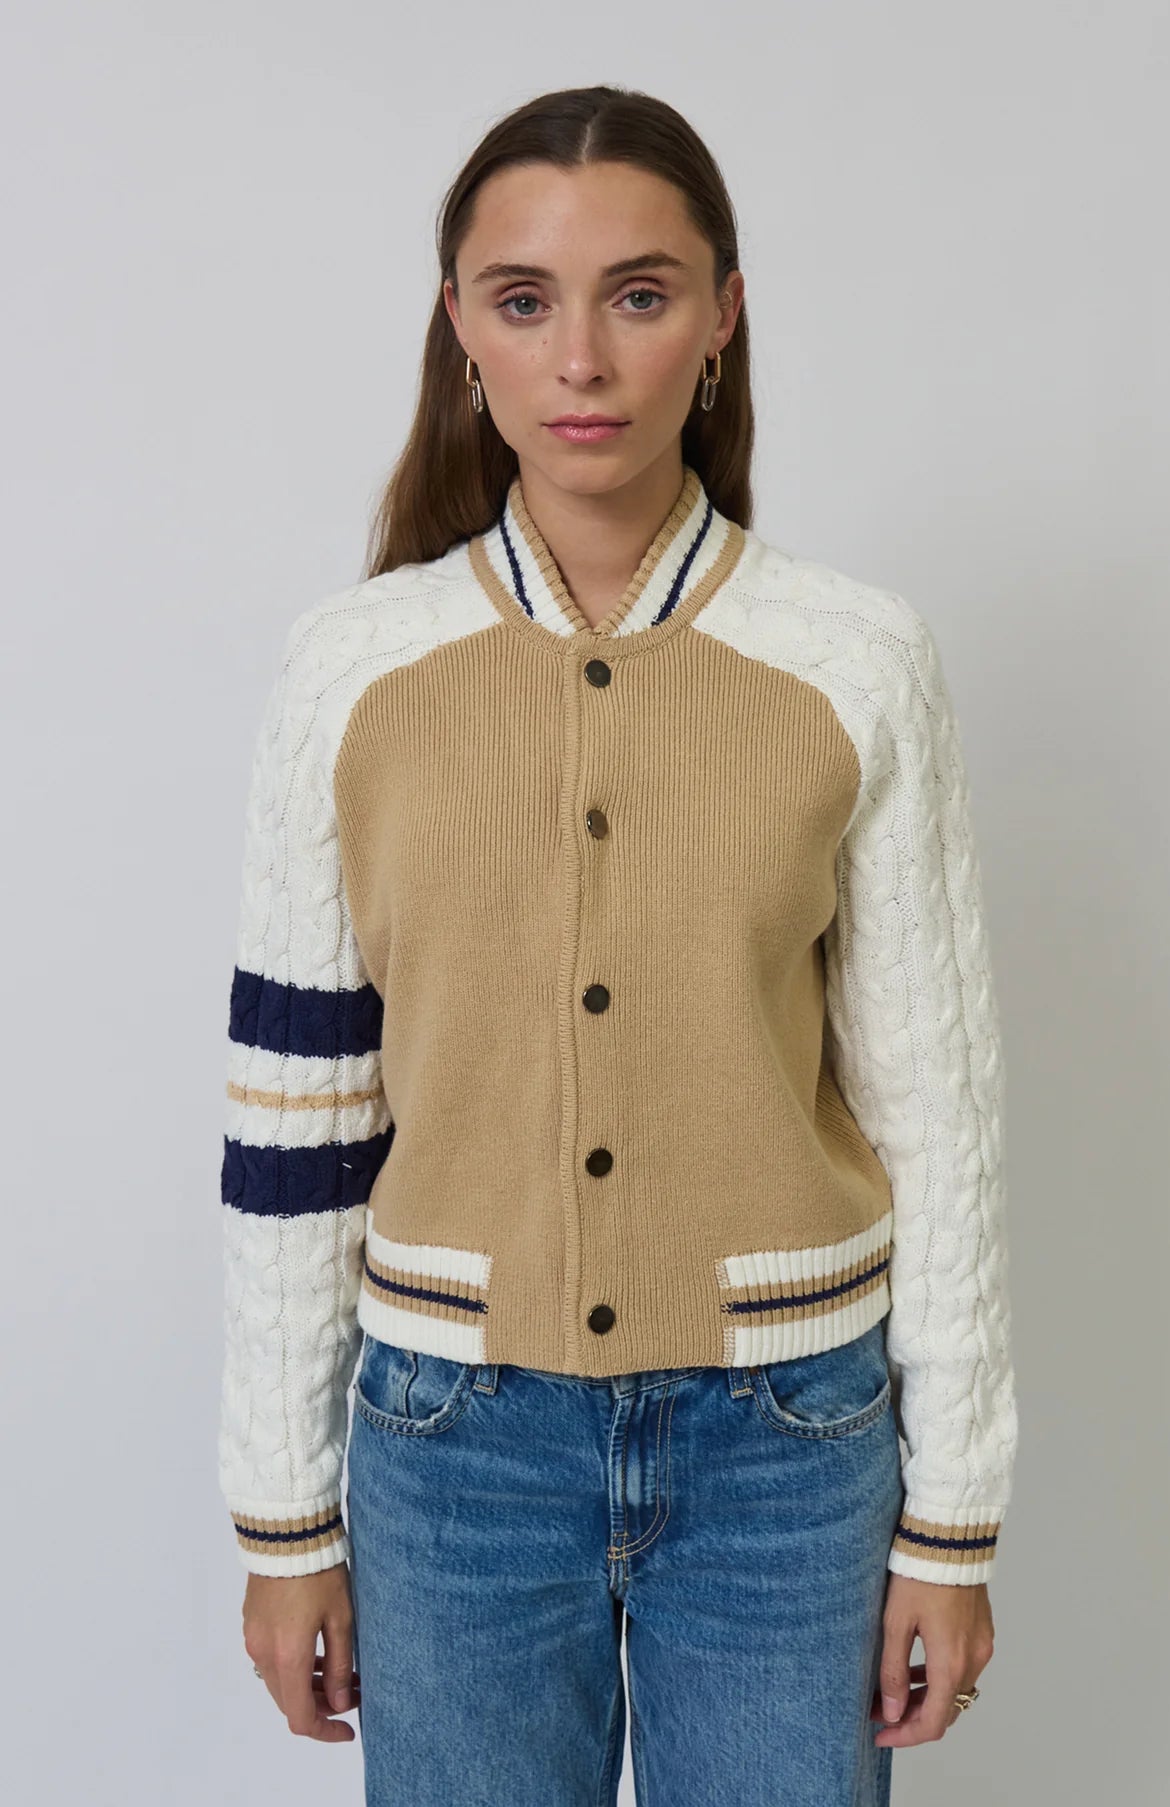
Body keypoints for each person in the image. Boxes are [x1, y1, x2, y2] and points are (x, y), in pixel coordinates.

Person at [218, 83, 1018, 1807]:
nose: (580, 358)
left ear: (721, 318)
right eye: (524, 300)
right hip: (451, 1450)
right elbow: (295, 1124)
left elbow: (936, 1120)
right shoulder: (350, 672)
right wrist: (282, 1517)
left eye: (638, 295)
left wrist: (951, 1523)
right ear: (459, 329)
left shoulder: (854, 661)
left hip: (791, 1448)